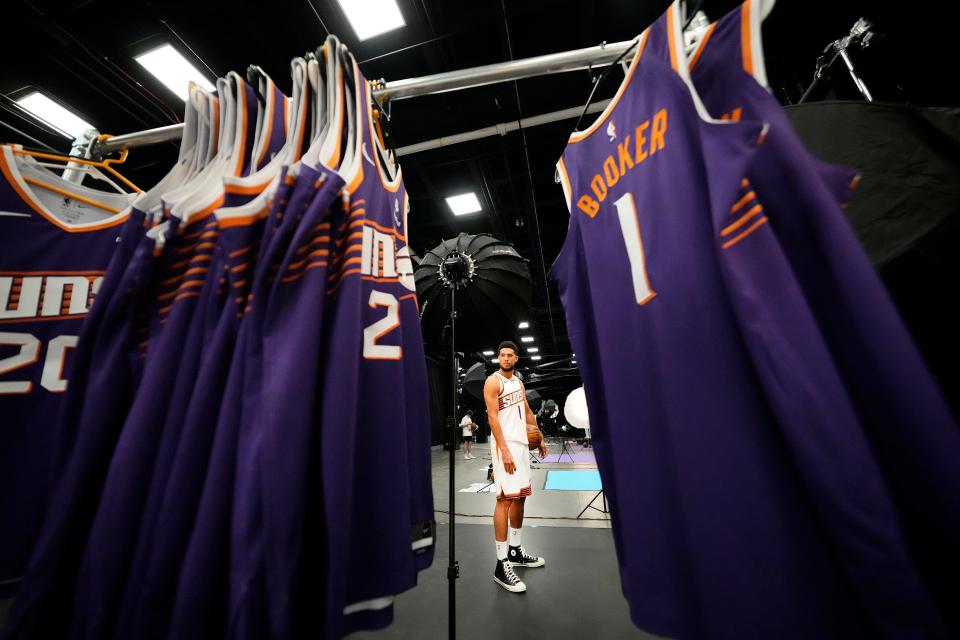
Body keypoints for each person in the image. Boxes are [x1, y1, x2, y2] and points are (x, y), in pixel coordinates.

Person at [484, 341, 548, 593]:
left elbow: (528, 410)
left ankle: (515, 550)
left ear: (516, 358)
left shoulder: (519, 383)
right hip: (505, 445)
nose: (506, 358)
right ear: (498, 358)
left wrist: (540, 437)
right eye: (502, 355)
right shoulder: (493, 381)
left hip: (521, 444)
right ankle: (501, 564)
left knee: (520, 497)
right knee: (504, 499)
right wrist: (505, 449)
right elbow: (491, 417)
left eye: (510, 355)